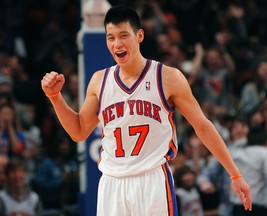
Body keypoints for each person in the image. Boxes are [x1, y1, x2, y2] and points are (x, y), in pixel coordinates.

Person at [41, 5, 252, 216]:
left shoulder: (168, 77)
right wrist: (55, 97)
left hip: (153, 180)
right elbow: (78, 132)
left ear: (139, 35)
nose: (117, 44)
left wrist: (235, 175)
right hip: (112, 184)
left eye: (124, 36)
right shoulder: (99, 81)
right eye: (111, 38)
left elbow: (203, 126)